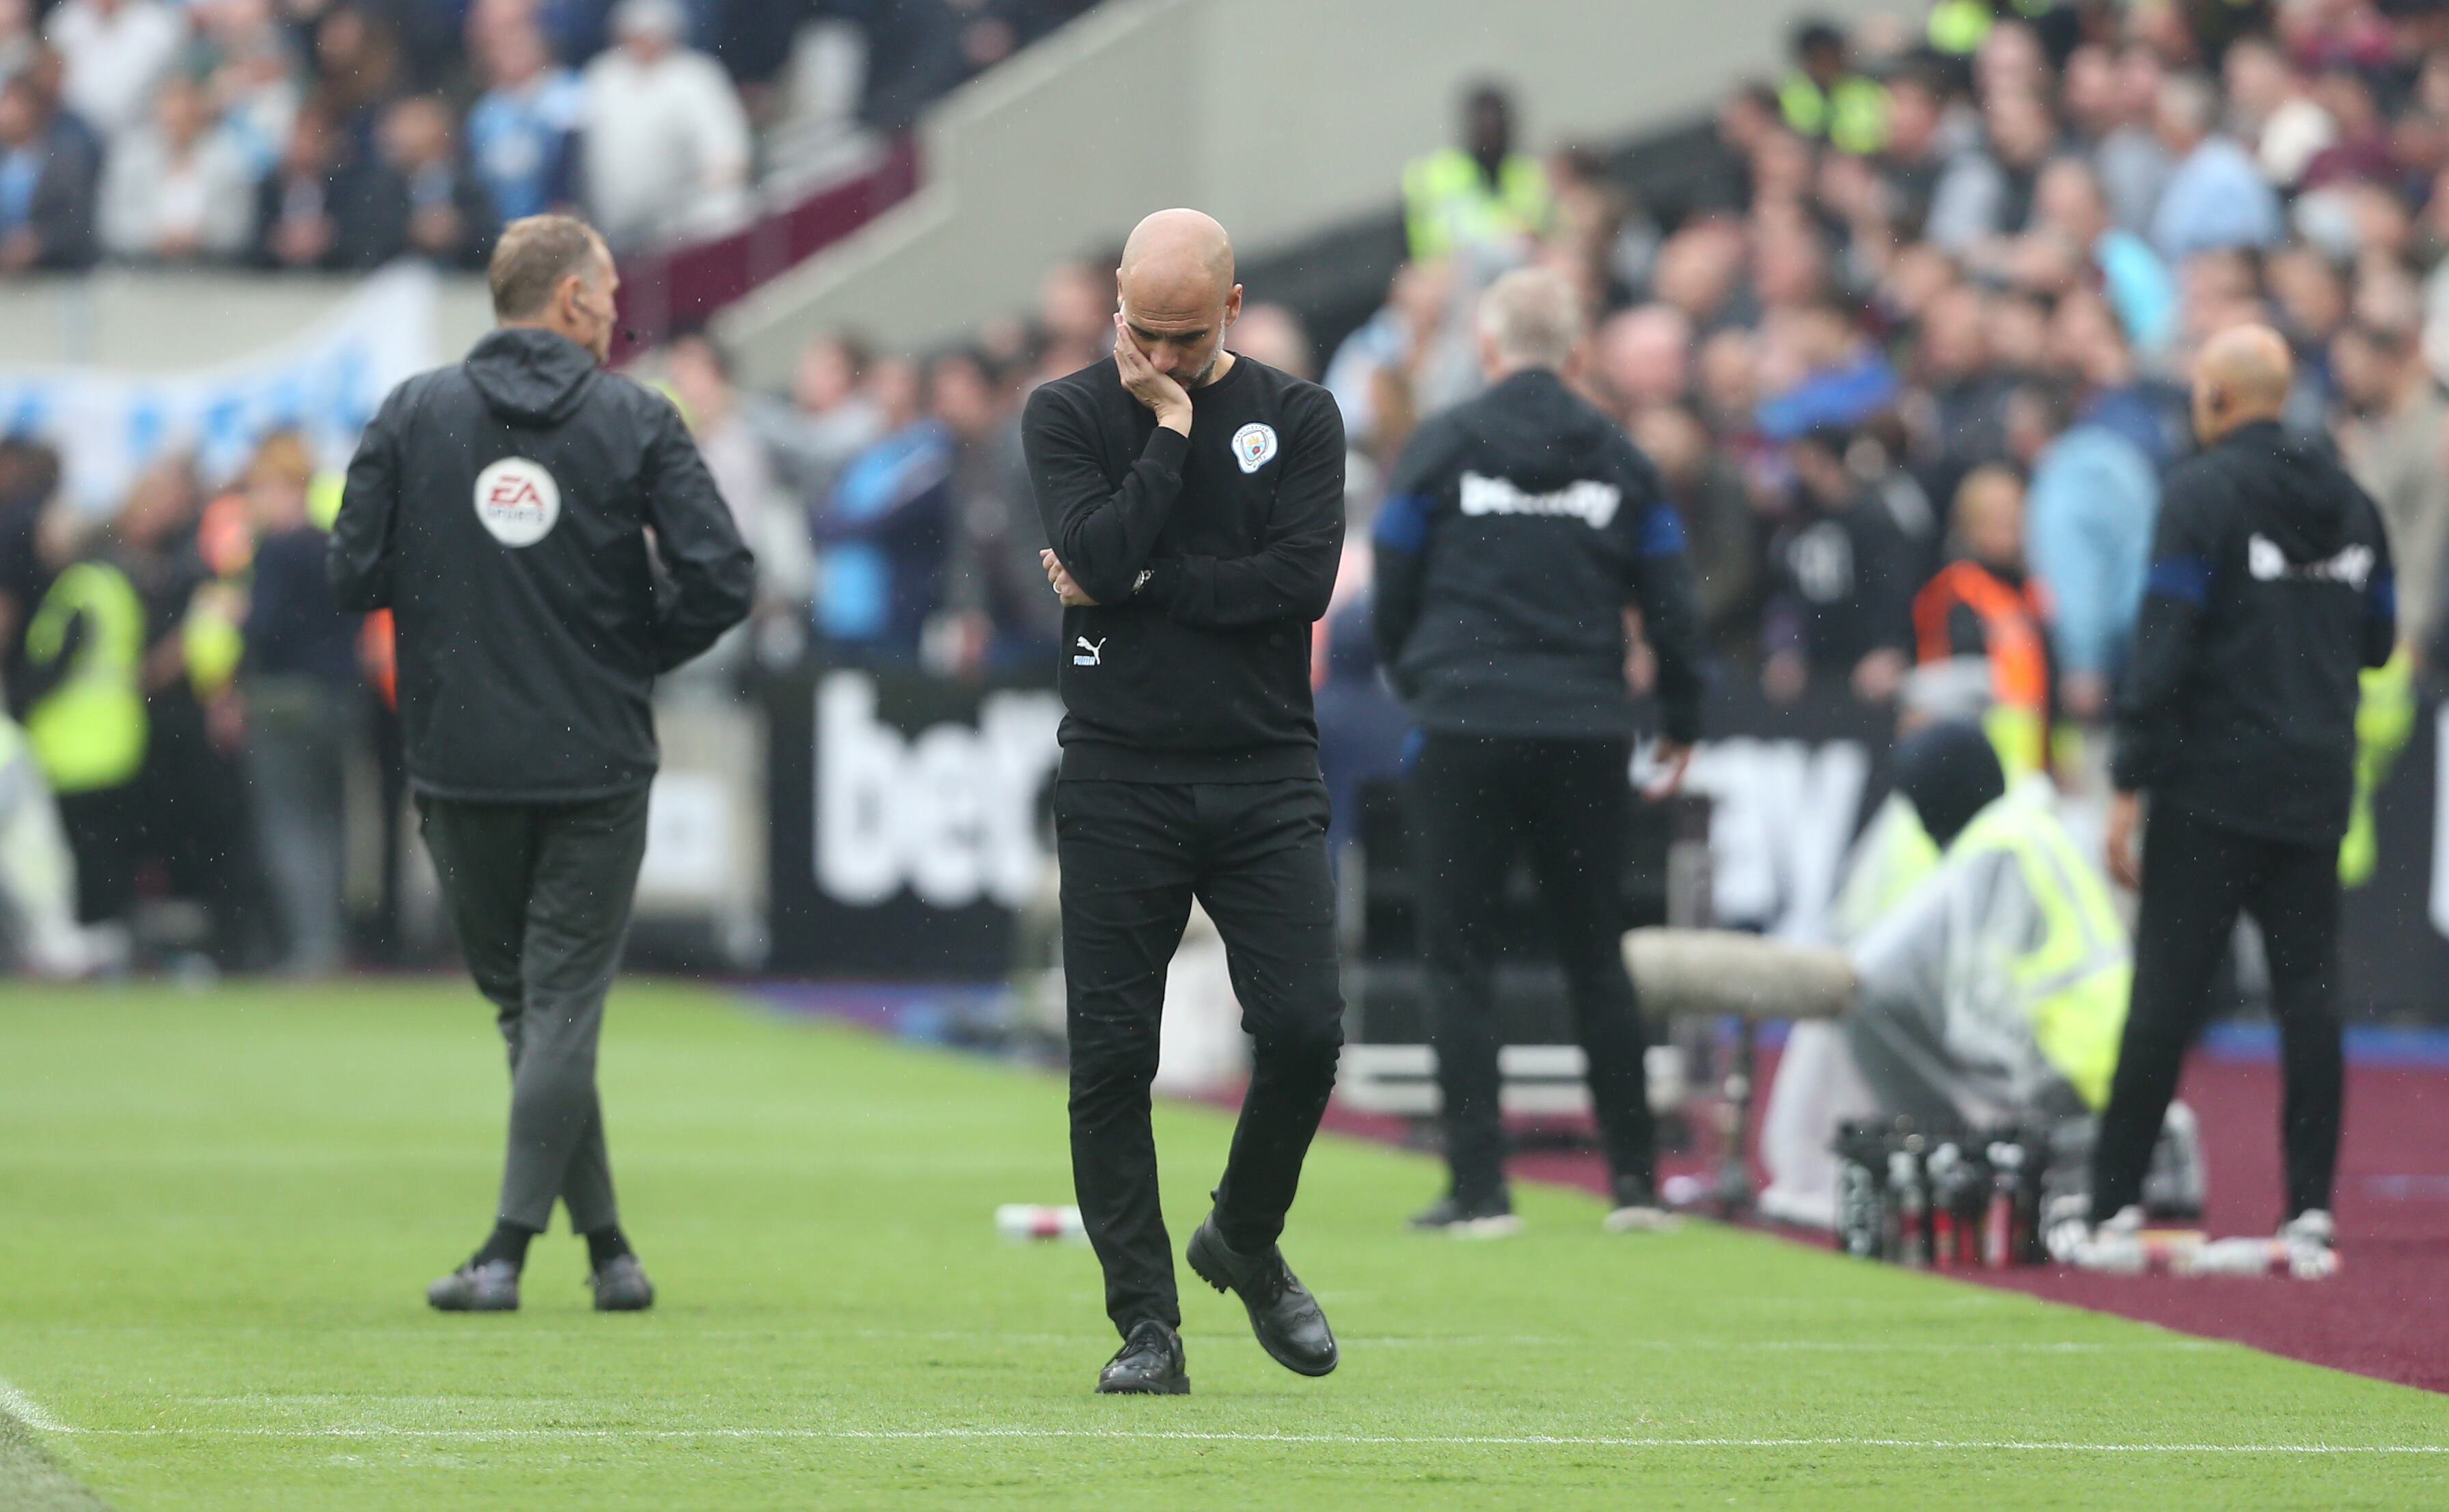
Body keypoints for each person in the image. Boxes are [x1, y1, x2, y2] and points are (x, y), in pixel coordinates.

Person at [329, 214, 754, 1314]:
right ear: (570, 301)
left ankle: (537, 1252)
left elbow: (348, 572)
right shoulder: (636, 419)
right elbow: (721, 576)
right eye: (609, 291)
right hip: (595, 760)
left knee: (534, 1010)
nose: (617, 310)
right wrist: (625, 652)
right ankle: (589, 1249)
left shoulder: (417, 412)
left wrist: (455, 609)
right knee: (554, 1009)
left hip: (458, 760)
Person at [1026, 208, 1345, 1396]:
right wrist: (1166, 433)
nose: (1156, 357)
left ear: (1232, 306)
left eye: (1181, 337)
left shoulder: (1298, 416)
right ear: (1115, 303)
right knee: (1111, 1056)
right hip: (1117, 770)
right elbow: (1092, 557)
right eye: (1138, 332)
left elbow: (1297, 585)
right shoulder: (1065, 411)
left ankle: (1243, 1234)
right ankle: (1146, 1325)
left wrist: (1142, 579)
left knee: (1307, 1025)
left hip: (1263, 767)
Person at [1370, 266, 1706, 1236]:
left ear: (1486, 347)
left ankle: (1480, 1190)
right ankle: (1635, 1183)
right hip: (1585, 730)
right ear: (1579, 352)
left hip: (1464, 725)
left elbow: (1390, 579)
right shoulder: (1623, 460)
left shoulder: (1440, 447)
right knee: (1595, 955)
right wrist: (1680, 718)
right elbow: (1674, 604)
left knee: (1458, 959)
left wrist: (1419, 675)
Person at [2067, 325, 2394, 1280]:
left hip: (2210, 789)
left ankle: (2112, 1208)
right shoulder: (2356, 504)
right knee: (2311, 1000)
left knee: (2164, 999)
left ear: (2213, 396)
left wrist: (2128, 785)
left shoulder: (2200, 496)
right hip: (2311, 787)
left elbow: (2162, 647)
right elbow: (2377, 640)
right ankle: (2309, 1217)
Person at [1912, 465, 2052, 779]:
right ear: (1970, 524)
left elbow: (2049, 685)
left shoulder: (2029, 592)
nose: (2012, 524)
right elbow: (1959, 684)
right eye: (1998, 515)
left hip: (2030, 768)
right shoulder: (1958, 591)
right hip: (1974, 766)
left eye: (2016, 511)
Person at [1401, 82, 1550, 262]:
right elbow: (1432, 244)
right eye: (1486, 130)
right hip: (1454, 275)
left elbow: (1545, 233)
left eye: (1498, 130)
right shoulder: (1432, 175)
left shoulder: (1531, 173)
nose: (1493, 139)